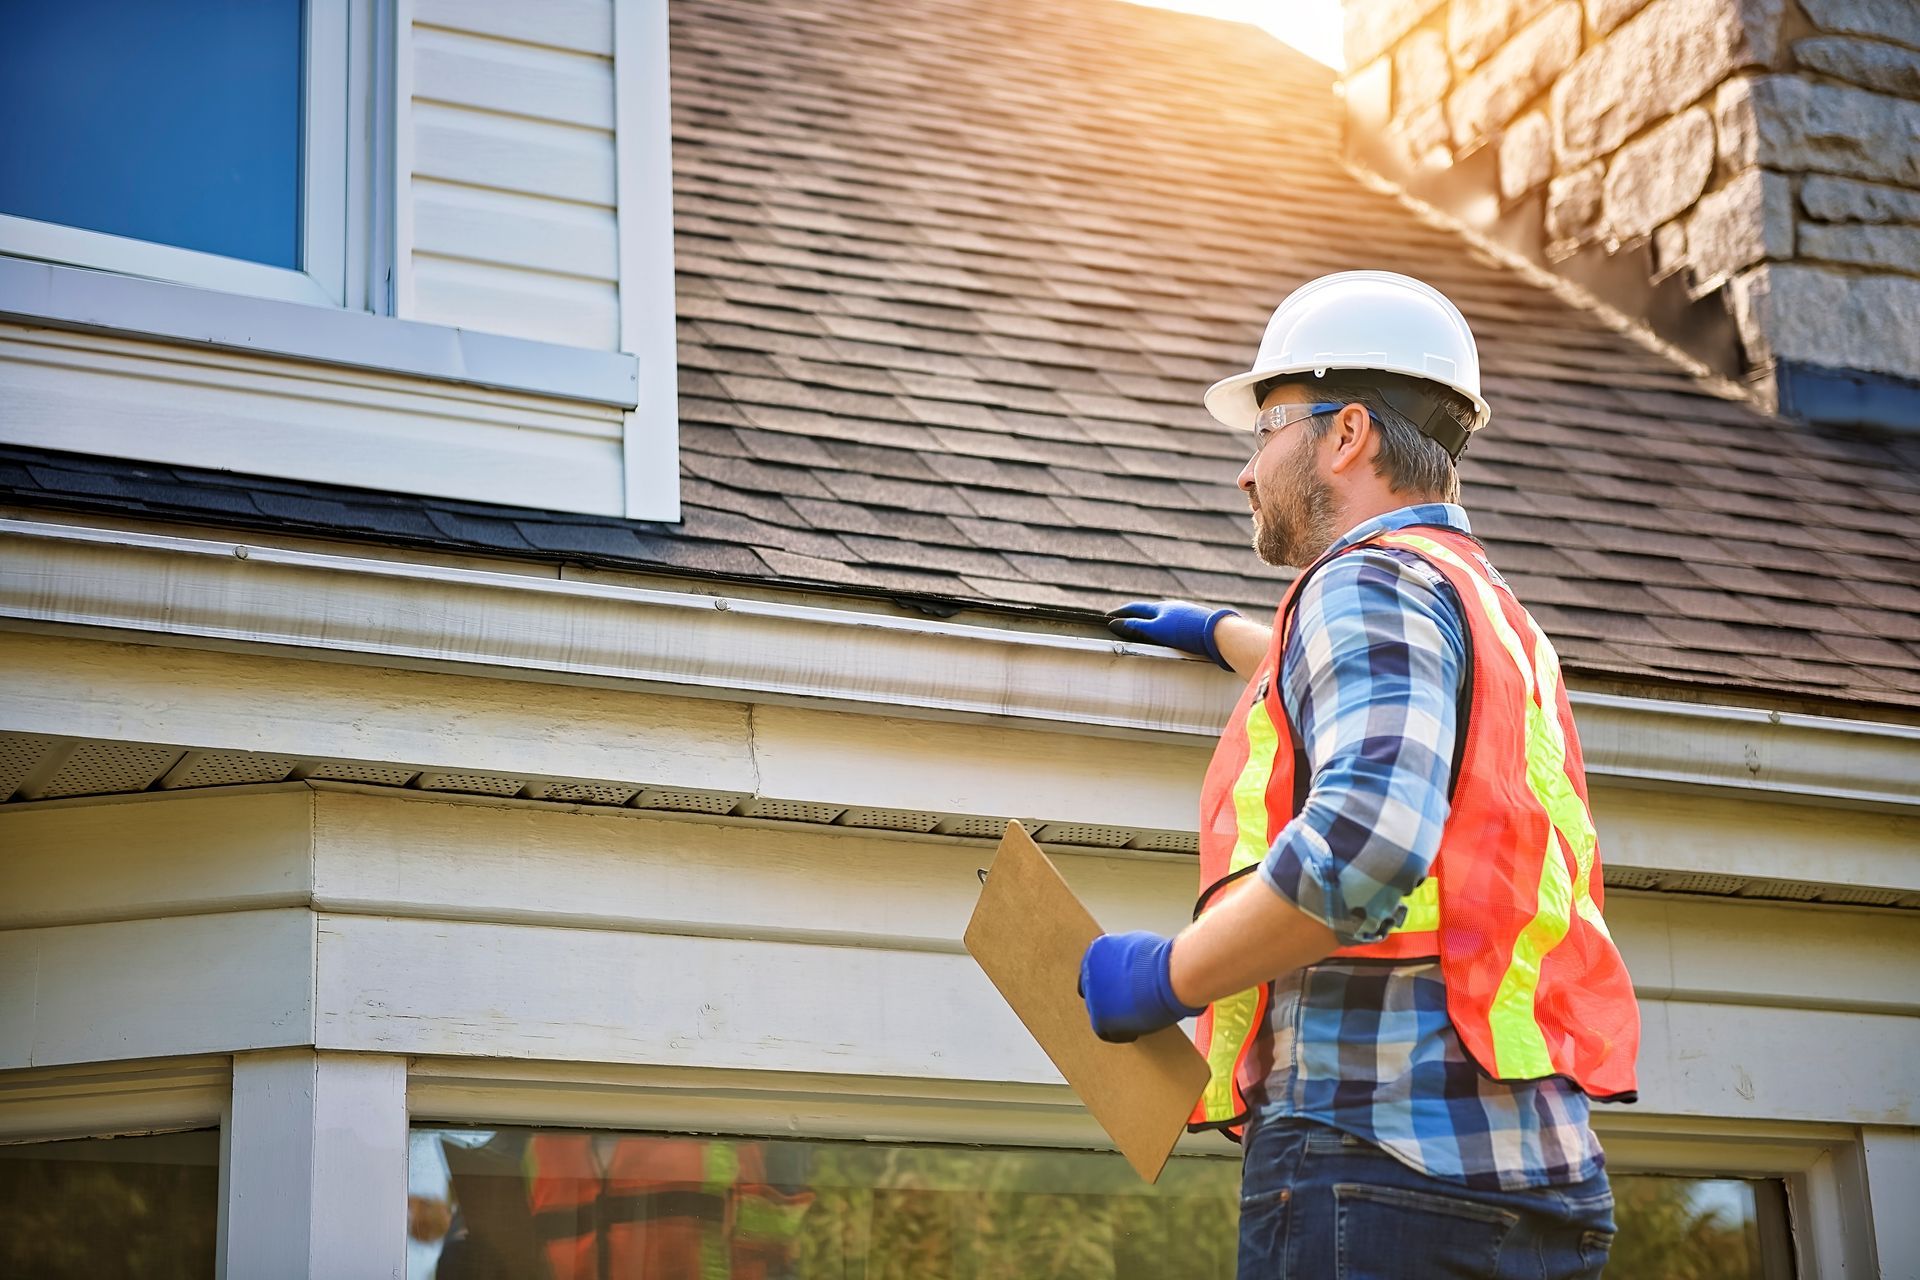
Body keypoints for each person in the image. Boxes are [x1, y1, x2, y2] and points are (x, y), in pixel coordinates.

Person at [1080, 271, 1640, 1279]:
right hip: (1526, 1176)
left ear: (1345, 435)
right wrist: (1238, 638)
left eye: (1263, 434)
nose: (1247, 474)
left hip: (1382, 1161)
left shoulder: (1364, 582)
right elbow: (1400, 707)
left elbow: (1367, 844)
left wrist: (1169, 973)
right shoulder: (1487, 608)